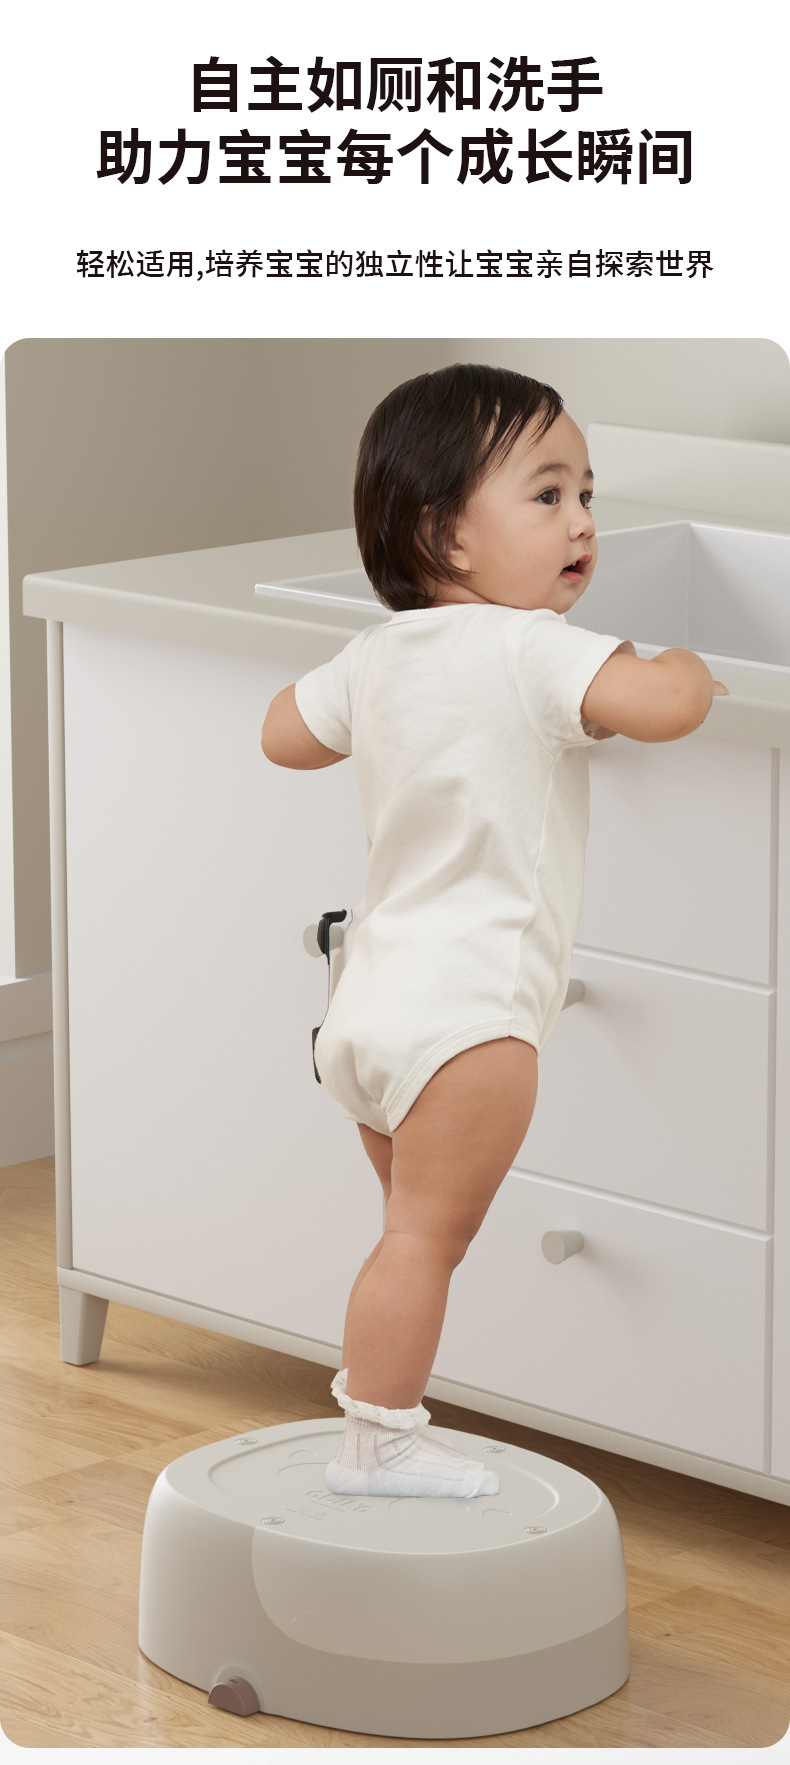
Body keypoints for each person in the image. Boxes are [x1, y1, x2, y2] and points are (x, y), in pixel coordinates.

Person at [261, 362, 729, 1501]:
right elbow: (666, 707)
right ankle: (377, 1443)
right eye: (548, 494)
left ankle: (376, 1430)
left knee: (405, 1234)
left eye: (587, 495)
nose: (582, 522)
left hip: (367, 1009)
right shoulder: (531, 648)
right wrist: (682, 664)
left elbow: (283, 733)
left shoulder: (381, 653)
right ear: (447, 537)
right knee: (424, 1241)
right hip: (467, 1020)